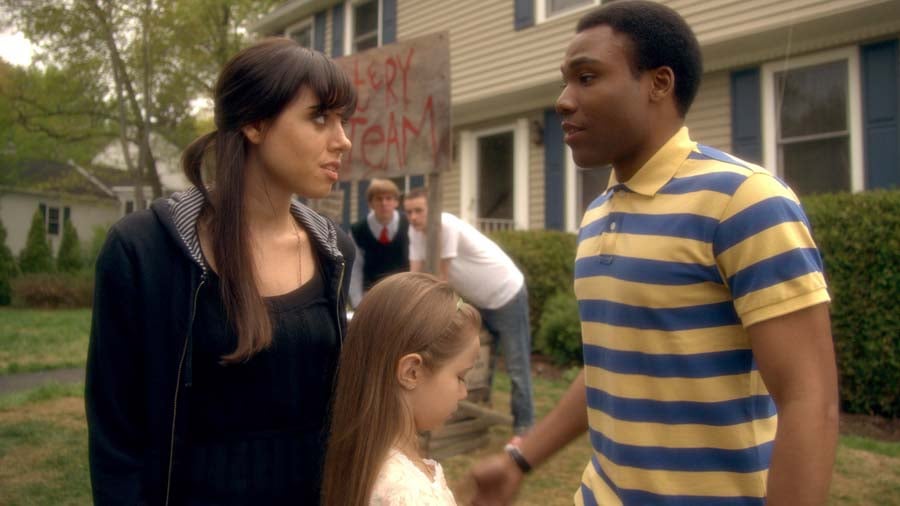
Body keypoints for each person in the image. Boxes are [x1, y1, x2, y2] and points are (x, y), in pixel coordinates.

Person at [470, 2, 839, 505]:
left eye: (586, 77)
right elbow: (615, 363)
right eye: (565, 81)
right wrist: (522, 458)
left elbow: (808, 400)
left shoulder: (746, 201)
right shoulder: (597, 214)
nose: (563, 100)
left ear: (658, 84)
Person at [85, 38, 357, 505]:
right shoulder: (145, 251)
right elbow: (116, 440)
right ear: (254, 122)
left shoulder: (335, 252)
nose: (343, 140)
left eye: (342, 121)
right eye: (319, 118)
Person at [321, 272, 482, 505]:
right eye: (460, 376)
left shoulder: (363, 462)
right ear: (411, 372)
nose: (463, 392)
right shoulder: (406, 495)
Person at [403, 187, 535, 435]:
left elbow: (441, 278)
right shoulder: (415, 232)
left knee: (517, 367)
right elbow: (416, 275)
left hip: (506, 293)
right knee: (480, 358)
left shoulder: (447, 226)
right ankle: (479, 411)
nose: (413, 217)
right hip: (481, 300)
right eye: (408, 212)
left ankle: (524, 429)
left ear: (432, 209)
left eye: (418, 211)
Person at [348, 178, 410, 307]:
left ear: (396, 202)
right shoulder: (357, 230)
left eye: (389, 198)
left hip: (405, 292)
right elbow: (355, 268)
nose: (384, 203)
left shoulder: (409, 225)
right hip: (372, 294)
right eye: (379, 199)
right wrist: (358, 303)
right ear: (370, 203)